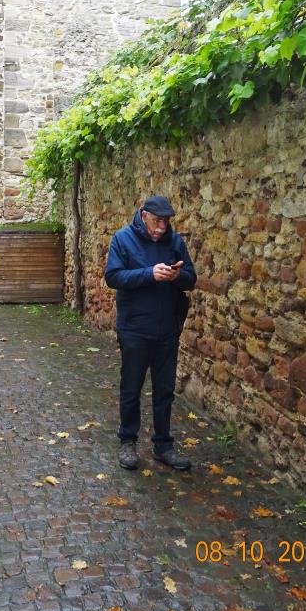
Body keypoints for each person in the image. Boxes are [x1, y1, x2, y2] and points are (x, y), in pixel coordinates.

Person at [105, 195, 196, 471]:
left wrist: (177, 276)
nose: (161, 227)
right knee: (131, 387)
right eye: (157, 221)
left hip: (167, 328)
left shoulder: (175, 242)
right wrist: (149, 274)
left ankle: (163, 446)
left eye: (166, 222)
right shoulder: (122, 239)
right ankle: (127, 441)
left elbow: (191, 279)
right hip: (134, 328)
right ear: (144, 215)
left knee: (165, 390)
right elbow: (113, 277)